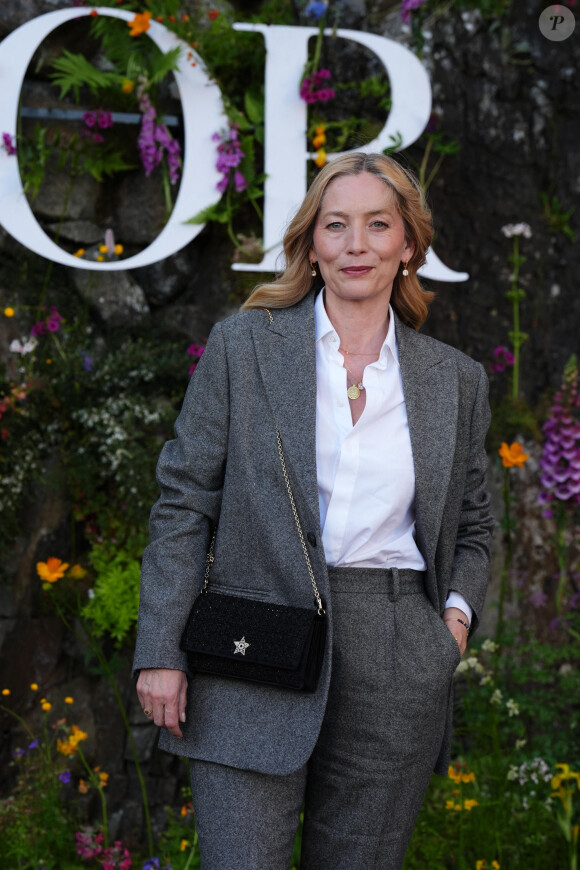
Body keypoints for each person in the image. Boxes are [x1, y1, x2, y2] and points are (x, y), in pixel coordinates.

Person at [134, 152, 494, 869]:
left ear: (408, 245)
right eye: (336, 225)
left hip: (397, 650)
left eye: (376, 225)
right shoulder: (245, 347)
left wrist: (449, 627)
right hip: (249, 639)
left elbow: (477, 525)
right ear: (313, 243)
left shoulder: (454, 381)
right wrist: (160, 650)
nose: (355, 244)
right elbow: (184, 501)